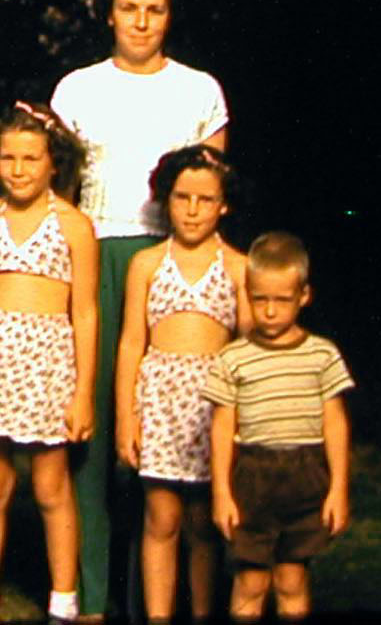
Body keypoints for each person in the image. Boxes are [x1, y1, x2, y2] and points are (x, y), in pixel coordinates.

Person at [49, 0, 230, 620]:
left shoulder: (199, 90)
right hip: (98, 250)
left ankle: (158, 600)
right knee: (94, 427)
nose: (142, 21)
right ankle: (92, 593)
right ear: (111, 14)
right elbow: (59, 192)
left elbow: (211, 186)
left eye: (155, 9)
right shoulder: (78, 88)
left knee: (172, 433)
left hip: (172, 258)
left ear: (169, 16)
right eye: (130, 7)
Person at [0, 103, 97, 624]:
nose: (18, 169)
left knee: (50, 486)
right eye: (8, 157)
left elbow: (85, 311)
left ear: (53, 162)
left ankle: (63, 599)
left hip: (47, 366)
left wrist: (82, 392)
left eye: (31, 158)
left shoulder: (74, 225)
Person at [113, 145, 250, 623]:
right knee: (162, 517)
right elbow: (132, 342)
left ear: (223, 205)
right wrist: (127, 416)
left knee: (202, 523)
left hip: (212, 408)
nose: (192, 210)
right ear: (166, 199)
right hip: (160, 403)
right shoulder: (147, 264)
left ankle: (202, 612)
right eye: (182, 197)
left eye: (205, 199)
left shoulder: (237, 267)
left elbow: (248, 348)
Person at [202, 233, 353, 623]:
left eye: (282, 300)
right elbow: (222, 427)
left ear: (304, 296)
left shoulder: (322, 355)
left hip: (306, 476)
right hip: (253, 478)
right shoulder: (233, 358)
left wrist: (338, 488)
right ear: (247, 294)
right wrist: (221, 492)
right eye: (259, 299)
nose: (269, 312)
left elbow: (335, 423)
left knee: (291, 579)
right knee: (251, 582)